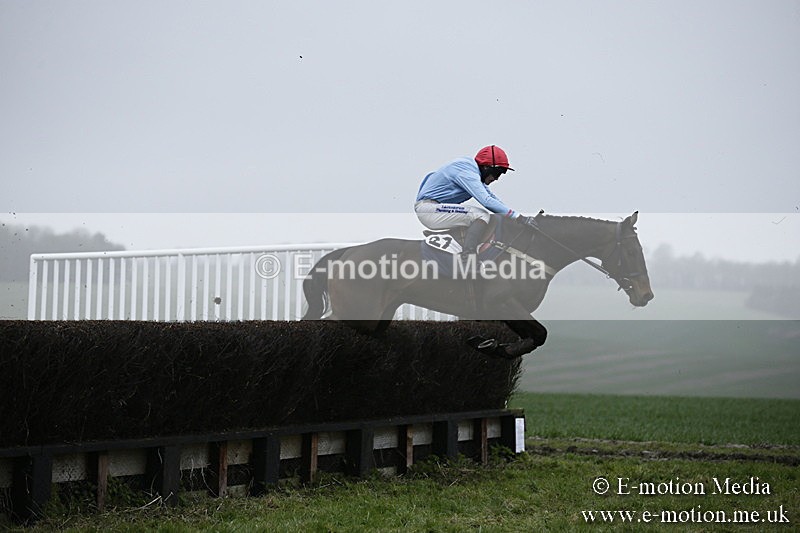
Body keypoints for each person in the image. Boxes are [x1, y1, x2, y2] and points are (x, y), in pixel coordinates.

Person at [415, 145, 534, 258]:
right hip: (428, 210)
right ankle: (468, 256)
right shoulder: (467, 171)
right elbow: (486, 201)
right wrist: (517, 217)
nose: (497, 178)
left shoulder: (473, 171)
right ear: (486, 167)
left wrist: (515, 216)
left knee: (479, 216)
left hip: (434, 208)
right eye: (497, 172)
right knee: (480, 215)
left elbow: (491, 197)